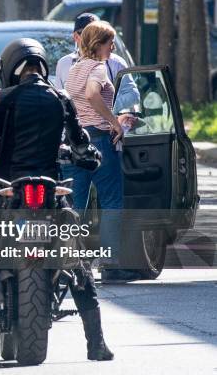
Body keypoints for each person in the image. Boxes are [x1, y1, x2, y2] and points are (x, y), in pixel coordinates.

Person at [0, 38, 113, 364]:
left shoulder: (6, 98)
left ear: (10, 67)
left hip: (7, 187)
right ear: (42, 66)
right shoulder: (61, 97)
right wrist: (88, 157)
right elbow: (82, 145)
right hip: (50, 190)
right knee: (75, 255)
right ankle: (96, 343)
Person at [62, 20, 138, 283]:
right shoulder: (98, 68)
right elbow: (94, 94)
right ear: (98, 44)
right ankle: (109, 262)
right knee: (111, 202)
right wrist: (115, 121)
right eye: (109, 42)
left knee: (76, 204)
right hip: (99, 141)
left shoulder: (74, 70)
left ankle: (73, 261)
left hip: (75, 142)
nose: (112, 47)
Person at [54, 13, 140, 114]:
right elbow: (59, 100)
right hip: (77, 126)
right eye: (89, 34)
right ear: (76, 37)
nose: (95, 38)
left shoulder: (116, 63)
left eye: (98, 34)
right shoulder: (64, 64)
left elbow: (133, 95)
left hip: (107, 126)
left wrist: (107, 108)